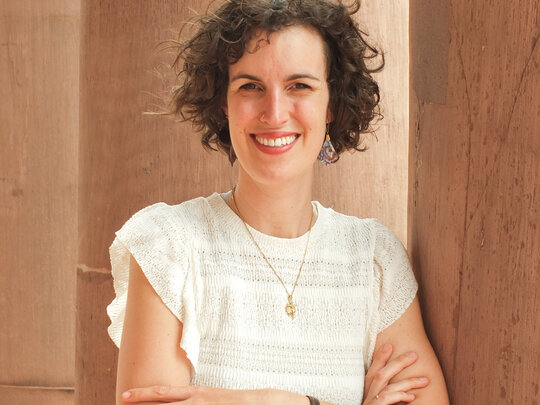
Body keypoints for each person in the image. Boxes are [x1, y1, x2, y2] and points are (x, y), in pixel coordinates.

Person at [106, 0, 450, 404]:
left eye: (299, 86)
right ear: (223, 102)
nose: (274, 113)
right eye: (250, 86)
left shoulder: (373, 258)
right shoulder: (169, 245)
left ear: (332, 104)